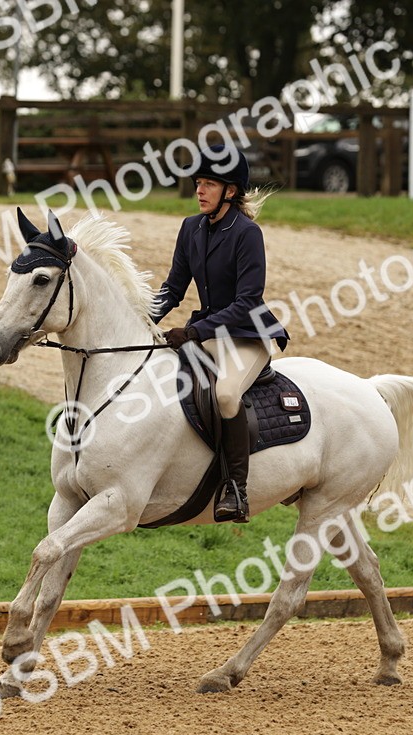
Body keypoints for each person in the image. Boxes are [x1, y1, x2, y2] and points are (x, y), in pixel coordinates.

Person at [151, 145, 289, 523]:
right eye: (198, 183)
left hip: (247, 335)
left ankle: (235, 489)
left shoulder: (247, 234)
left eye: (209, 184)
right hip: (211, 333)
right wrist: (145, 318)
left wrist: (193, 330)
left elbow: (247, 302)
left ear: (230, 191)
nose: (199, 191)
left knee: (226, 393)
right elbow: (173, 288)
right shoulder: (190, 228)